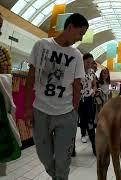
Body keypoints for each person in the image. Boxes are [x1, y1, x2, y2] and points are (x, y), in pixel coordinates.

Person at [24, 13, 88, 180]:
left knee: (63, 160)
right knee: (44, 156)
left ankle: (60, 177)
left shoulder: (77, 56)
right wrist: (27, 108)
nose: (80, 38)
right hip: (40, 111)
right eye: (80, 33)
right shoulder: (41, 45)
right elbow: (30, 79)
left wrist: (74, 114)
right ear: (70, 27)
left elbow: (76, 87)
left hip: (66, 114)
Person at [78, 53, 97, 156]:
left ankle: (94, 147)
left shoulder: (92, 72)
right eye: (87, 62)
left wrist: (93, 90)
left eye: (91, 62)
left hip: (89, 99)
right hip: (78, 99)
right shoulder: (77, 70)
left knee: (90, 121)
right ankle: (71, 149)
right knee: (78, 120)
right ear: (83, 61)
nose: (89, 64)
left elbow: (94, 85)